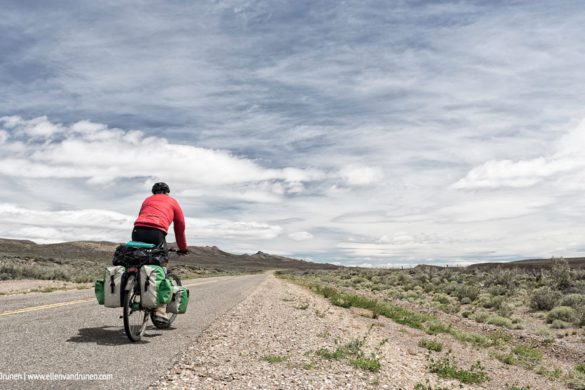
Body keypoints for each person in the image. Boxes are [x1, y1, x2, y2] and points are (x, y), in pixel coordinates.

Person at [133, 182, 188, 324]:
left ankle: (136, 286)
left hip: (137, 231)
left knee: (139, 258)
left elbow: (142, 216)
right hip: (156, 232)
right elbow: (180, 227)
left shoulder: (147, 200)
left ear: (154, 192)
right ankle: (160, 310)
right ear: (167, 192)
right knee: (161, 265)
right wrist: (183, 248)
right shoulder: (172, 202)